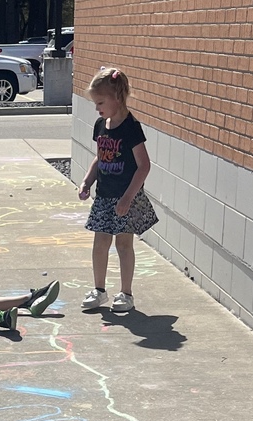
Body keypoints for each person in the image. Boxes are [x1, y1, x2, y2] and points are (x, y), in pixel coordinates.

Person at [77, 67, 158, 312]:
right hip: (104, 196)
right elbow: (100, 157)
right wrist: (87, 181)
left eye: (100, 102)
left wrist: (128, 198)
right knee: (100, 242)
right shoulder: (101, 125)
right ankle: (99, 290)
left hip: (126, 197)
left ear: (117, 98)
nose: (96, 108)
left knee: (124, 245)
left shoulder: (131, 127)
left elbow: (144, 166)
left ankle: (126, 294)